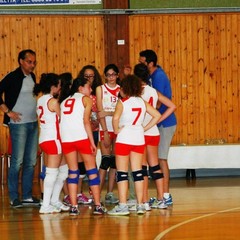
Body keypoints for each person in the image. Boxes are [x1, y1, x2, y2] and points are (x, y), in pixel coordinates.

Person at [108, 75, 161, 216]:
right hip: (138, 139)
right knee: (138, 172)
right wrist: (144, 128)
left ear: (125, 88)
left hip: (124, 139)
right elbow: (157, 115)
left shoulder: (123, 102)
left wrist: (116, 130)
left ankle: (123, 205)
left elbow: (115, 118)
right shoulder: (142, 102)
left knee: (122, 173)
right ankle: (140, 205)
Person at [130, 63, 176, 211]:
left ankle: (143, 201)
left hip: (141, 132)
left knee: (142, 167)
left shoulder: (135, 93)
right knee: (155, 166)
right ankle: (161, 198)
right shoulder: (153, 91)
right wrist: (158, 120)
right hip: (153, 132)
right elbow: (172, 106)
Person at [60, 77, 106, 216]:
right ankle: (97, 205)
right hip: (80, 137)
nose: (91, 90)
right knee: (92, 171)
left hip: (66, 139)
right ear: (80, 88)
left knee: (73, 172)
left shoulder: (64, 101)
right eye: (89, 87)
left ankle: (73, 206)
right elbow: (86, 122)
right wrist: (92, 143)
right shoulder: (86, 99)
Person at [0, 49, 40, 208]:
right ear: (21, 61)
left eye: (34, 62)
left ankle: (28, 196)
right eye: (29, 62)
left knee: (30, 161)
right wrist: (7, 111)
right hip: (18, 125)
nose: (32, 65)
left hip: (32, 123)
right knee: (17, 161)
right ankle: (14, 196)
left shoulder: (32, 77)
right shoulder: (12, 77)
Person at [34, 73, 69, 214]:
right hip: (54, 139)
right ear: (53, 87)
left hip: (44, 138)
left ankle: (54, 200)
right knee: (52, 173)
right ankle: (46, 205)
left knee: (63, 171)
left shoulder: (40, 100)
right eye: (59, 86)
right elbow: (62, 121)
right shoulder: (53, 102)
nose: (60, 88)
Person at [96, 64, 120, 204]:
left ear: (117, 75)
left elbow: (121, 110)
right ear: (105, 76)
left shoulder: (121, 89)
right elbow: (100, 111)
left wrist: (110, 113)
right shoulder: (101, 89)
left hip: (117, 128)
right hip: (105, 128)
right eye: (108, 75)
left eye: (113, 74)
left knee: (114, 162)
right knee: (105, 161)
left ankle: (110, 193)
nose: (111, 77)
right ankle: (97, 193)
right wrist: (105, 130)